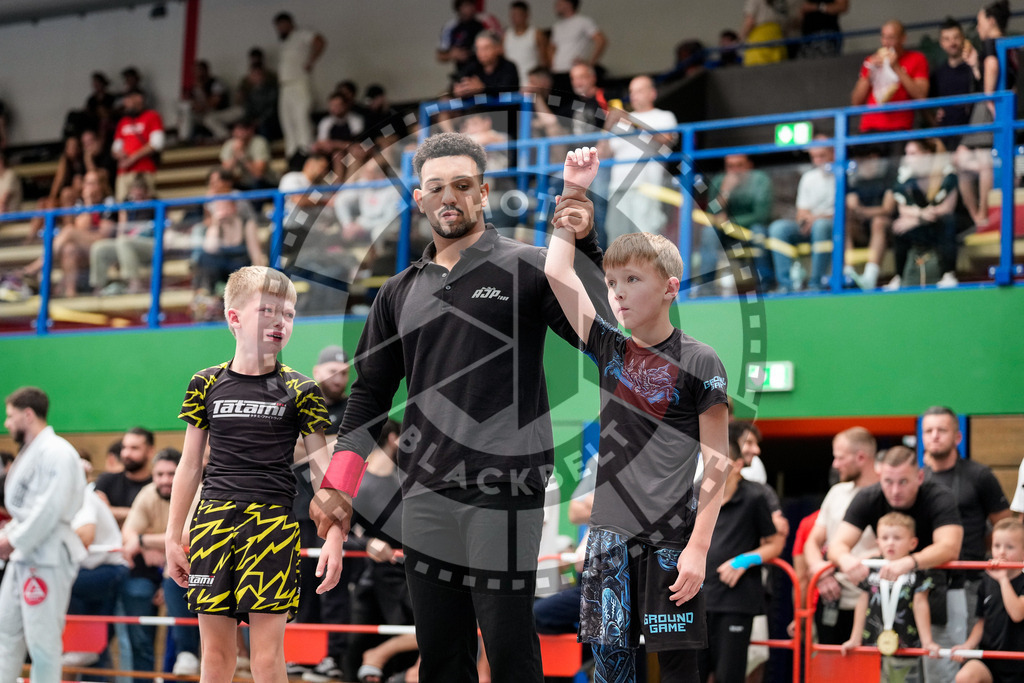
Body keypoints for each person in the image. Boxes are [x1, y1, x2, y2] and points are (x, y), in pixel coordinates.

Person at [310, 132, 604, 683]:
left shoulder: (529, 265)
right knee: (441, 655)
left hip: (506, 488)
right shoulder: (397, 292)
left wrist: (581, 235)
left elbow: (595, 333)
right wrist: (337, 491)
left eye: (463, 186)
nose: (450, 197)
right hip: (424, 493)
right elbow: (367, 400)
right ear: (420, 199)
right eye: (437, 187)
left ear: (484, 193)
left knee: (509, 646)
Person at [544, 147, 731, 681]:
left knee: (677, 672)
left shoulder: (700, 361)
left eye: (633, 281)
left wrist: (698, 548)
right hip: (607, 539)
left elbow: (718, 463)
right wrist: (575, 190)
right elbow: (557, 269)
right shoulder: (609, 347)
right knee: (611, 672)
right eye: (613, 282)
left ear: (670, 288)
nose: (619, 294)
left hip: (673, 541)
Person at [165, 265, 343, 683]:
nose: (281, 321)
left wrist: (334, 533)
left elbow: (322, 471)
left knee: (266, 659)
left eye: (289, 313)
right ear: (234, 317)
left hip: (273, 527)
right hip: (212, 525)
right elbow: (190, 465)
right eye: (268, 310)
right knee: (216, 656)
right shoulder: (204, 384)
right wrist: (174, 533)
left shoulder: (302, 390)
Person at [0, 387, 87, 683]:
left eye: (10, 416)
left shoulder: (58, 452)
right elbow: (27, 510)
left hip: (47, 555)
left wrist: (11, 540)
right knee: (5, 633)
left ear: (28, 414)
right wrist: (11, 536)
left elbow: (50, 508)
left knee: (43, 642)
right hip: (24, 554)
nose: (6, 424)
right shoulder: (34, 451)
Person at [922, 406, 1011, 683]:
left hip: (972, 583)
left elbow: (1005, 528)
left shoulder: (979, 475)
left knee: (967, 661)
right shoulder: (918, 479)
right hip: (929, 584)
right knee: (933, 662)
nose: (934, 436)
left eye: (942, 430)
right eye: (928, 431)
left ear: (957, 437)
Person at [700, 434, 785, 683]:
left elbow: (775, 544)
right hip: (696, 600)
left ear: (737, 464)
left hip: (735, 603)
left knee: (730, 676)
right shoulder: (696, 494)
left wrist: (744, 560)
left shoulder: (755, 497)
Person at [828, 445, 963, 589]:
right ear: (879, 477)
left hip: (939, 583)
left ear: (920, 477)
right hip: (888, 583)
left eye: (903, 482)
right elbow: (837, 545)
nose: (895, 490)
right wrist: (846, 559)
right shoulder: (868, 497)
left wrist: (909, 562)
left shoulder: (940, 497)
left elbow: (949, 547)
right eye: (888, 481)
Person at [121, 448, 197, 677]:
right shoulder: (147, 493)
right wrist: (146, 543)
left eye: (171, 473)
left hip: (196, 571)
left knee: (174, 583)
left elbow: (189, 535)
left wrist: (145, 541)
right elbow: (128, 533)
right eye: (159, 474)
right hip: (158, 573)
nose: (165, 480)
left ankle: (188, 654)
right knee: (137, 596)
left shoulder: (199, 491)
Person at [840, 512, 940, 683]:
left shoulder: (917, 571)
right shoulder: (871, 567)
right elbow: (863, 602)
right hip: (872, 644)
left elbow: (920, 604)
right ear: (878, 543)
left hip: (906, 645)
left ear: (912, 543)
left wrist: (927, 641)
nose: (890, 542)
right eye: (885, 538)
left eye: (897, 538)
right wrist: (854, 638)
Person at [803, 427, 880, 644]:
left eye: (839, 458)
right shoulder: (837, 492)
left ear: (861, 457)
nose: (835, 465)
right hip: (834, 598)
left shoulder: (887, 494)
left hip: (874, 600)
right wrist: (821, 573)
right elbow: (813, 542)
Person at [955, 0, 1014, 230]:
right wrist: (975, 67)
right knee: (965, 159)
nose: (978, 28)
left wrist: (989, 97)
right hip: (995, 106)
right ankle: (978, 215)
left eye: (979, 22)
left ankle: (982, 214)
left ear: (990, 21)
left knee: (984, 160)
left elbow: (992, 67)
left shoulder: (991, 43)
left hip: (989, 108)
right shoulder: (1008, 45)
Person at [65, 480, 130, 674]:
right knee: (97, 641)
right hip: (91, 570)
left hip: (110, 569)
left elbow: (86, 535)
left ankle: (80, 647)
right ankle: (84, 651)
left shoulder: (83, 497)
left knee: (63, 582)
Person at [604, 75, 678, 243]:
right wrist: (607, 128)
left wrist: (632, 120)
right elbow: (603, 154)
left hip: (647, 187)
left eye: (639, 90)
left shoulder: (664, 116)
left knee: (646, 242)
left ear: (652, 93)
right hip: (618, 187)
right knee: (616, 244)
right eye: (631, 91)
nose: (633, 95)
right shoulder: (621, 121)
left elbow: (666, 139)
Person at [951, 517, 1024, 683]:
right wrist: (967, 646)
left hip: (1019, 662)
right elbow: (982, 621)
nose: (1002, 552)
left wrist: (1004, 579)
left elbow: (1017, 614)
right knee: (965, 676)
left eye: (1009, 547)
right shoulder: (987, 580)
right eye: (997, 546)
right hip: (990, 660)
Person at [883, 138, 960, 290]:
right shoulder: (906, 180)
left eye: (913, 153)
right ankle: (899, 276)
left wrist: (919, 218)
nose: (908, 158)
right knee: (899, 228)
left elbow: (947, 208)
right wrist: (921, 216)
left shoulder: (946, 174)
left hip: (942, 225)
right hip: (921, 224)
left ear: (927, 154)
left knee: (948, 221)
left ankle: (949, 274)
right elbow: (903, 209)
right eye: (906, 153)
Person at [697, 154, 774, 295]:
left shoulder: (760, 179)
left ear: (749, 165)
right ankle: (706, 287)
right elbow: (711, 211)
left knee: (759, 232)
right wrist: (725, 193)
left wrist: (730, 223)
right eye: (730, 166)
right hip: (726, 234)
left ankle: (766, 284)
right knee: (709, 231)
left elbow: (761, 215)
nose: (735, 170)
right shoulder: (720, 180)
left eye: (740, 165)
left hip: (750, 229)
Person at [767, 141, 836, 292]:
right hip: (810, 226)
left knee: (821, 226)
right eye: (814, 156)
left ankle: (816, 283)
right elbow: (802, 211)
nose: (818, 160)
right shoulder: (808, 177)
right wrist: (805, 221)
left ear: (833, 152)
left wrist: (816, 219)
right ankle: (786, 285)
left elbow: (844, 212)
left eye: (822, 155)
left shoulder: (843, 174)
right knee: (778, 228)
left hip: (833, 228)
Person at [851, 20, 930, 136]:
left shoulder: (917, 58)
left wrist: (896, 67)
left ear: (903, 39)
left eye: (891, 38)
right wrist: (869, 72)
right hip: (869, 126)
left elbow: (921, 96)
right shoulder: (870, 61)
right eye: (883, 37)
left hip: (900, 127)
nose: (886, 43)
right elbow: (855, 102)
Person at [273, 12, 326, 158]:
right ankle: (292, 156)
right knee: (287, 121)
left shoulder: (302, 34)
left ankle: (306, 153)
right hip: (285, 86)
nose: (280, 28)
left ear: (290, 23)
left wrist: (311, 61)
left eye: (283, 24)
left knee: (302, 118)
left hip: (299, 83)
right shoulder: (284, 42)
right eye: (278, 26)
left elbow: (320, 41)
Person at [929, 18, 979, 151]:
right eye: (947, 39)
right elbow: (927, 102)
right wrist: (935, 114)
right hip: (945, 137)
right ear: (941, 43)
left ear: (963, 38)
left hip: (972, 135)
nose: (952, 43)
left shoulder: (973, 68)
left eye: (956, 37)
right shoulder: (938, 73)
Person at [111, 88, 165, 202]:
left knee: (146, 205)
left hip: (144, 170)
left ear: (139, 98)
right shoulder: (123, 121)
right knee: (122, 205)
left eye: (128, 99)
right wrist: (121, 156)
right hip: (123, 172)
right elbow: (115, 148)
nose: (125, 103)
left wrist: (132, 158)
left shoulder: (152, 116)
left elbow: (157, 143)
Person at [548, 0, 607, 94]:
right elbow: (552, 48)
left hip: (574, 73)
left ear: (569, 3)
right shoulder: (557, 26)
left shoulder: (583, 21)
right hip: (558, 74)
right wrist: (552, 65)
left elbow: (601, 40)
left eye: (560, 2)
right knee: (556, 103)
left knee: (576, 103)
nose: (556, 5)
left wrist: (590, 63)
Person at [178, 59, 239, 142]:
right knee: (186, 113)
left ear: (206, 70)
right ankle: (183, 140)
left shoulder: (216, 83)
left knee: (209, 119)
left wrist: (201, 91)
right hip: (202, 114)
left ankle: (226, 137)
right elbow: (192, 104)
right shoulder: (194, 88)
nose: (197, 74)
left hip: (220, 112)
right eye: (195, 71)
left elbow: (214, 103)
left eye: (199, 71)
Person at [452, 30, 521, 98]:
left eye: (486, 48)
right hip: (478, 109)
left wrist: (483, 88)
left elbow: (506, 89)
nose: (481, 53)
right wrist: (459, 89)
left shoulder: (509, 67)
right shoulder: (472, 67)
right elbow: (457, 80)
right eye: (478, 49)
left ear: (497, 48)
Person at [220, 118, 276, 195]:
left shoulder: (259, 142)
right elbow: (225, 174)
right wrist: (235, 156)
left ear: (251, 130)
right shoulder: (229, 145)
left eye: (243, 129)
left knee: (257, 184)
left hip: (267, 183)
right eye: (237, 129)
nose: (240, 133)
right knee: (224, 186)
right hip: (244, 184)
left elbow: (258, 174)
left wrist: (242, 155)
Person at [436, 0, 488, 73]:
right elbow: (440, 55)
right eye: (467, 5)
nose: (470, 8)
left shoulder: (483, 25)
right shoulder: (451, 27)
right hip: (462, 71)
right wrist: (452, 54)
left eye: (472, 5)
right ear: (459, 8)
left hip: (484, 70)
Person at [504, 1, 548, 85]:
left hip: (530, 83)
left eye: (517, 15)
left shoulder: (536, 34)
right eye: (512, 15)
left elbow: (544, 61)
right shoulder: (506, 35)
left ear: (526, 15)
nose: (514, 18)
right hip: (511, 83)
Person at [739, 0, 787, 66]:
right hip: (778, 41)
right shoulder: (781, 2)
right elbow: (786, 23)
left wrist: (739, 38)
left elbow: (749, 22)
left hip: (760, 42)